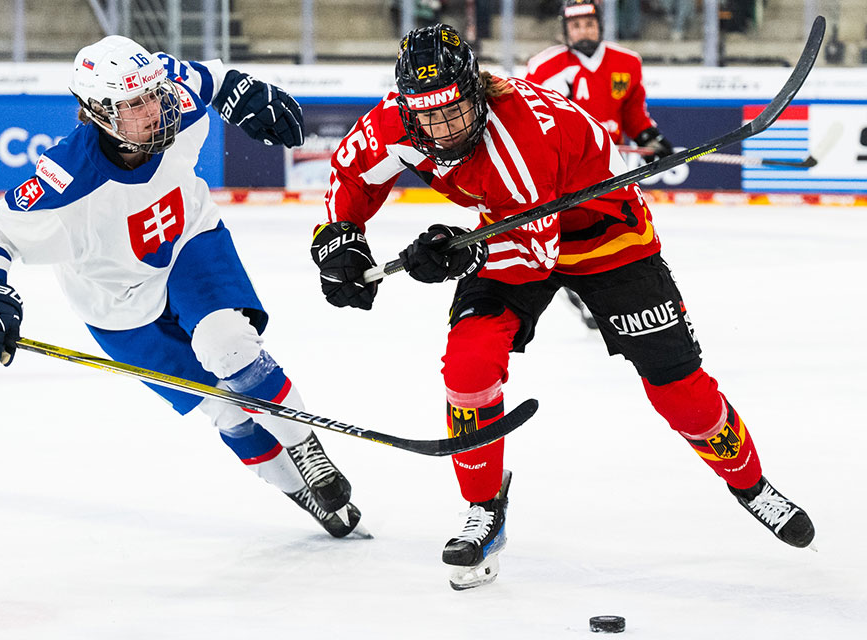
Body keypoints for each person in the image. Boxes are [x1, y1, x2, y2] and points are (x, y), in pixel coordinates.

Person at [310, 23, 814, 590]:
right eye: (428, 116)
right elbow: (351, 173)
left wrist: (455, 255)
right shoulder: (396, 122)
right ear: (406, 107)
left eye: (454, 112)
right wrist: (341, 237)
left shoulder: (520, 136)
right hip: (512, 222)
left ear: (475, 93)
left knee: (677, 385)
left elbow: (531, 253)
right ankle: (484, 508)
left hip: (606, 234)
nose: (444, 130)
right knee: (468, 364)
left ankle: (750, 483)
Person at [0, 35, 364, 539]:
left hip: (188, 245)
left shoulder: (175, 101)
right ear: (97, 112)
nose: (153, 110)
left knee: (227, 343)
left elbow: (211, 78)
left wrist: (245, 90)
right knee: (225, 410)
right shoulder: (66, 182)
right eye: (134, 105)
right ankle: (297, 490)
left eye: (153, 93)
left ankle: (304, 446)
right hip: (116, 305)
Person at [525, 0, 675, 330]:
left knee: (623, 228)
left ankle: (625, 292)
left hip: (610, 167)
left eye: (589, 24)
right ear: (565, 30)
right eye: (576, 26)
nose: (583, 31)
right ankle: (577, 285)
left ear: (600, 26)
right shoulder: (543, 67)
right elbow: (530, 122)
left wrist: (650, 137)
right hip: (565, 169)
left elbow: (634, 112)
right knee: (573, 232)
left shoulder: (627, 62)